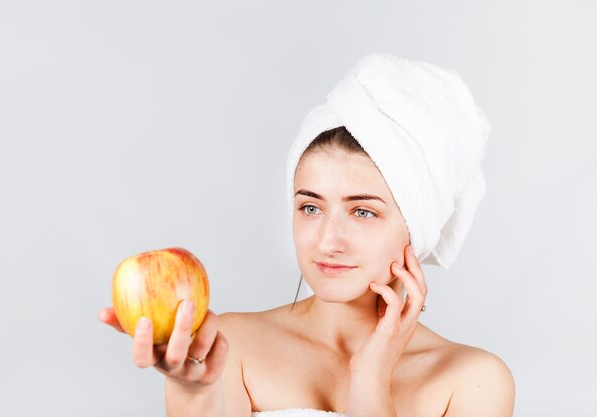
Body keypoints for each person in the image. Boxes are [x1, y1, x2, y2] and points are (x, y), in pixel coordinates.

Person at [99, 54, 515, 417]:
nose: (328, 240)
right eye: (310, 207)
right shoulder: (230, 345)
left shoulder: (473, 381)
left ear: (418, 229)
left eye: (363, 211)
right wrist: (191, 393)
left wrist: (370, 380)